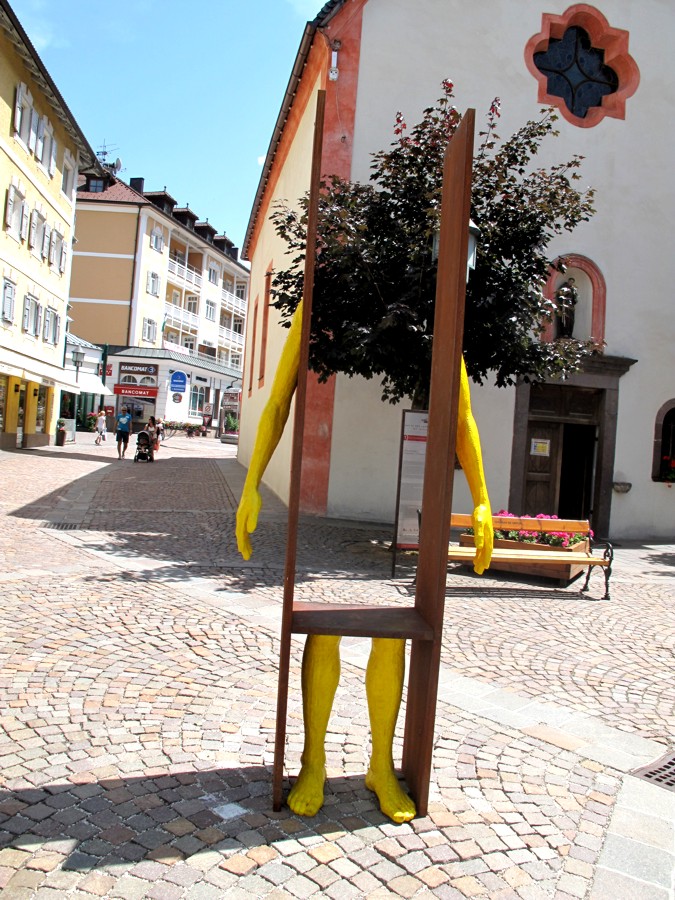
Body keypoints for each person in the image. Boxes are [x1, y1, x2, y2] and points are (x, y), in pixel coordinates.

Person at [236, 301, 493, 822]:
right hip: (318, 539)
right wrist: (251, 483)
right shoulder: (316, 302)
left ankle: (380, 765)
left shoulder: (435, 305)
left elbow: (461, 413)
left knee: (394, 637)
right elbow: (280, 399)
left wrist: (483, 497)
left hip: (402, 532)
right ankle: (313, 761)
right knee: (323, 631)